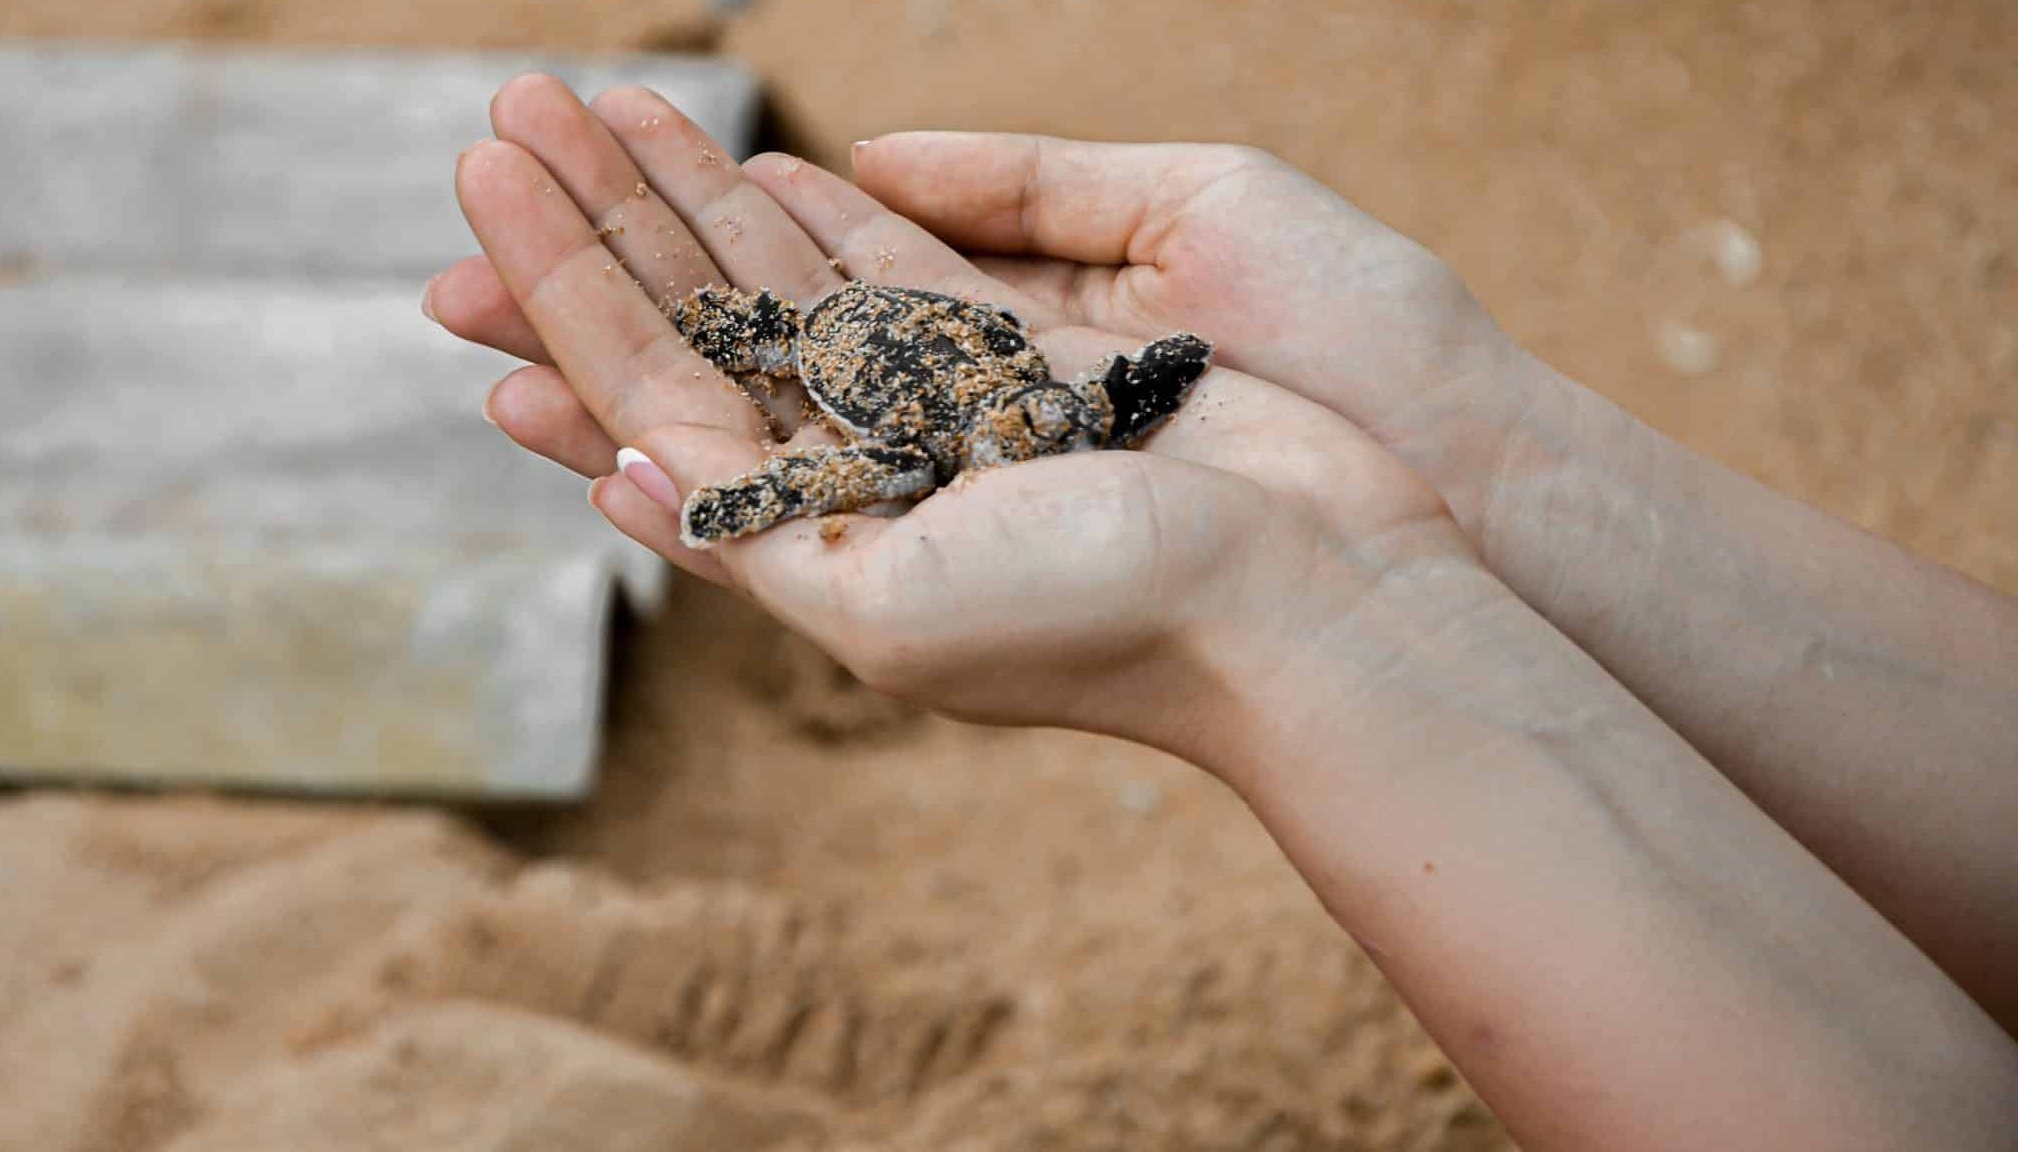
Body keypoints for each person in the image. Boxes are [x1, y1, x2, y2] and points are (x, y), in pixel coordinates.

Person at [422, 75, 2018, 1149]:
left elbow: (1091, 407)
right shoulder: (919, 439)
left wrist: (1327, 534)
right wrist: (766, 479)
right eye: (1032, 433)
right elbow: (873, 448)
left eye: (1048, 430)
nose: (1043, 438)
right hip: (852, 334)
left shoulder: (1041, 412)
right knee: (768, 373)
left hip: (921, 334)